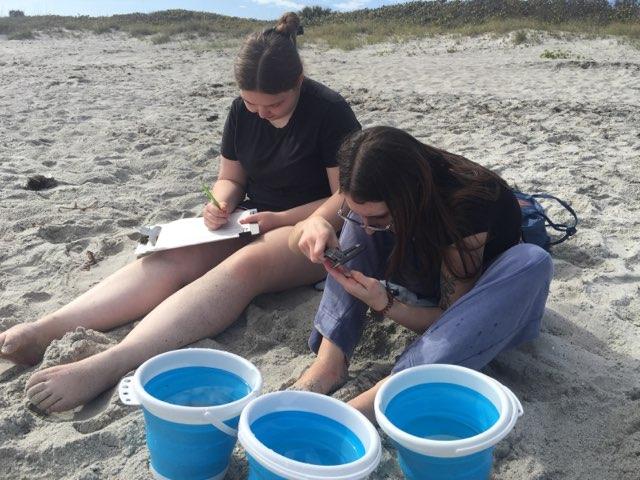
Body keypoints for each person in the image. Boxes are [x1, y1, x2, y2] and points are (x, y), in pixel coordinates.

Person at [0, 12, 359, 413]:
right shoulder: (242, 112)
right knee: (173, 256)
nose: (262, 113)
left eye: (273, 104)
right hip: (249, 217)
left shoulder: (329, 110)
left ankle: (112, 361)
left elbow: (346, 199)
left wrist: (282, 219)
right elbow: (231, 178)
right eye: (251, 103)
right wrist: (221, 201)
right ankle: (47, 329)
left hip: (311, 227)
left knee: (246, 266)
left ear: (297, 82)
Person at [289, 126, 553, 421]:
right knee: (355, 220)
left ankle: (384, 394)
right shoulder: (367, 183)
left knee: (534, 260)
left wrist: (384, 303)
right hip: (418, 266)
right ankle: (329, 364)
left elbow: (448, 322)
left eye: (379, 217)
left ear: (411, 196)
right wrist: (312, 225)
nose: (367, 226)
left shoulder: (468, 205)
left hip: (479, 300)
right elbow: (295, 236)